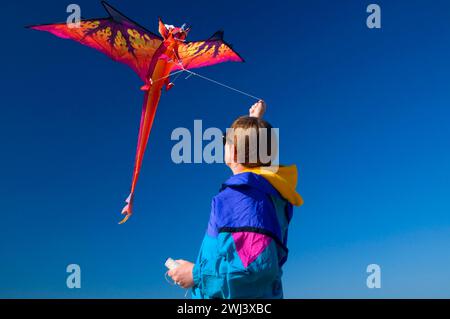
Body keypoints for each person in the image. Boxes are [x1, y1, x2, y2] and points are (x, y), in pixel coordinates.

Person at [168, 100, 303, 298]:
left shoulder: (243, 196)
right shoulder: (265, 190)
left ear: (235, 152)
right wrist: (255, 122)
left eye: (227, 141)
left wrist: (196, 275)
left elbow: (256, 266)